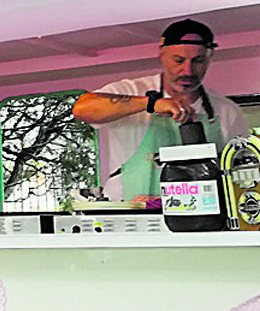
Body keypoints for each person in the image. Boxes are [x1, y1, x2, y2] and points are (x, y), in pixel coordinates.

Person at [72, 18, 248, 201]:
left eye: (198, 61)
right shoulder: (132, 91)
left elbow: (240, 172)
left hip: (204, 219)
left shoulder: (227, 111)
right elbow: (82, 109)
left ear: (210, 58)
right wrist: (152, 104)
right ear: (161, 55)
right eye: (178, 60)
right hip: (133, 214)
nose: (187, 70)